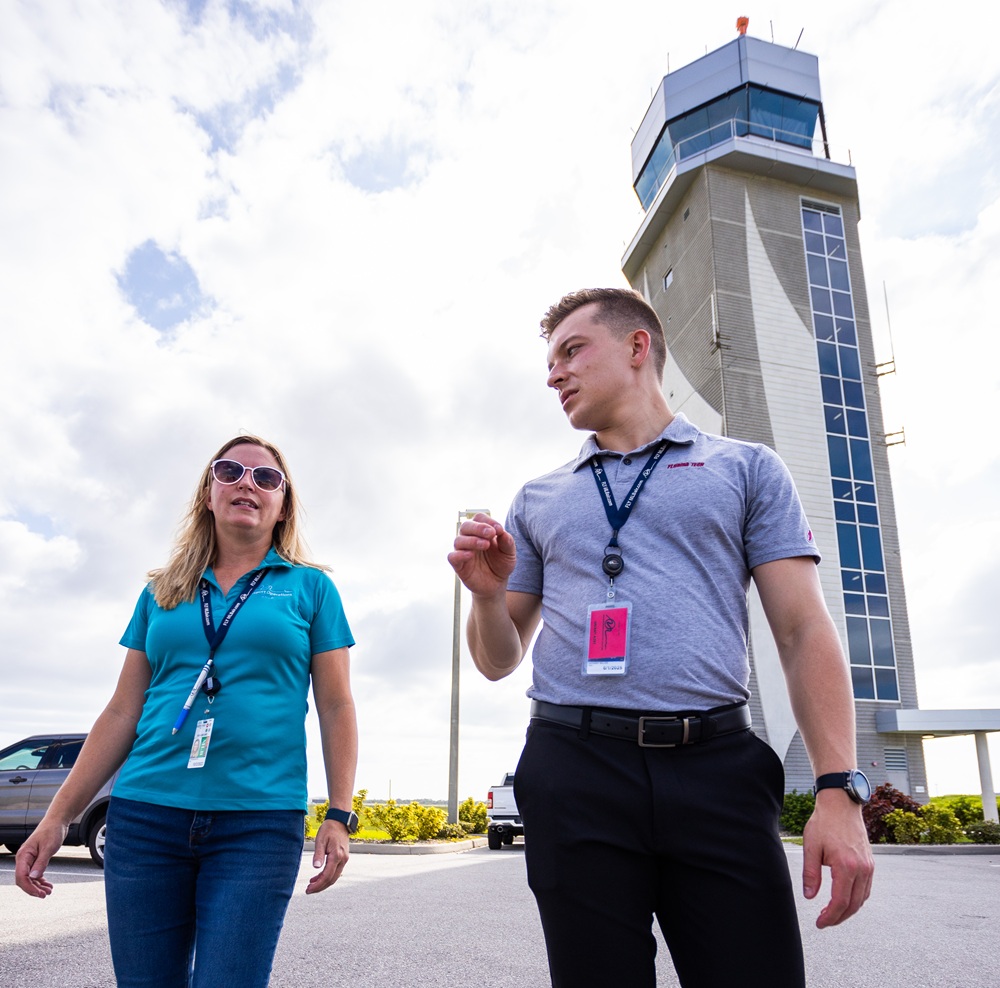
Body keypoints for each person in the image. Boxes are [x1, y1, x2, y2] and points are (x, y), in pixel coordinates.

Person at [448, 288, 874, 988]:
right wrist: (488, 597)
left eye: (572, 351)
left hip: (716, 765)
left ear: (638, 347)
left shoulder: (747, 469)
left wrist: (838, 790)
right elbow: (497, 660)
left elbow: (801, 631)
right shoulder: (538, 499)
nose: (553, 374)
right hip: (574, 766)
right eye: (549, 362)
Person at [16, 434, 358, 988]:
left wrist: (339, 814)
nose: (248, 483)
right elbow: (122, 710)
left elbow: (337, 706)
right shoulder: (162, 591)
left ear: (283, 504)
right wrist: (57, 817)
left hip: (257, 823)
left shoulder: (311, 589)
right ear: (208, 492)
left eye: (266, 477)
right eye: (231, 471)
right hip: (145, 818)